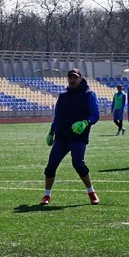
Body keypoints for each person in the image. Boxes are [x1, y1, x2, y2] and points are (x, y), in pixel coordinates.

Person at [40, 68, 100, 206]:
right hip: (61, 137)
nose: (72, 80)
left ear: (80, 78)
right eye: (70, 77)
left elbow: (95, 115)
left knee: (78, 164)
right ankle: (46, 195)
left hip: (78, 137)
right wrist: (51, 131)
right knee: (51, 166)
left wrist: (86, 122)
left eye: (75, 77)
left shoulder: (88, 95)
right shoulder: (63, 96)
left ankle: (91, 192)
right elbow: (58, 116)